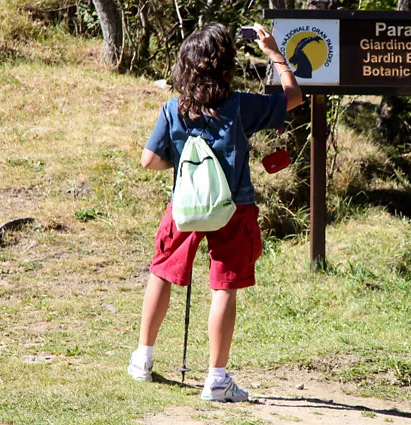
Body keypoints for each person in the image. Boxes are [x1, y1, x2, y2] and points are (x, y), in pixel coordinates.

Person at [127, 23, 302, 402]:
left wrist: (182, 162)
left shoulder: (173, 109)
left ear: (184, 68)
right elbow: (293, 97)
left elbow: (148, 161)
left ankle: (143, 359)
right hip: (234, 208)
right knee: (224, 285)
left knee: (161, 272)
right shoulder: (241, 106)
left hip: (185, 205)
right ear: (227, 66)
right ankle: (216, 380)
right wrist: (274, 53)